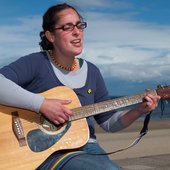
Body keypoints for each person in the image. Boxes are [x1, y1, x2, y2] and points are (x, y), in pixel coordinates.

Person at [0, 3, 160, 170]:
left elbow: (109, 123)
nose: (77, 32)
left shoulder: (93, 72)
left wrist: (139, 110)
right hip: (45, 152)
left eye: (79, 25)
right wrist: (41, 104)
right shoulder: (36, 63)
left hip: (86, 147)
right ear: (50, 36)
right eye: (68, 27)